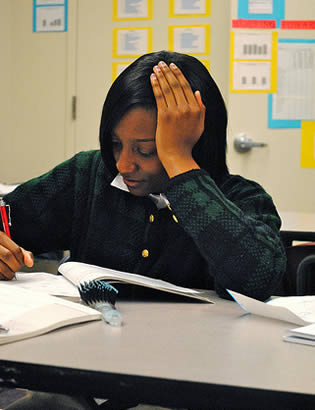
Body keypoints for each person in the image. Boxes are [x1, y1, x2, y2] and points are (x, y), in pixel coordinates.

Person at [0, 50, 286, 409]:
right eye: (116, 144)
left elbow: (258, 279)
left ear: (192, 142)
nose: (123, 163)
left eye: (146, 150)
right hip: (83, 375)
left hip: (186, 386)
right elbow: (10, 216)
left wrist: (181, 166)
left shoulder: (240, 198)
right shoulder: (90, 175)